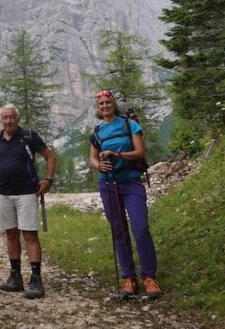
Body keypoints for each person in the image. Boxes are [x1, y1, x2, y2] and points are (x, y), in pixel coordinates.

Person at [0, 103, 56, 299]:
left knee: (30, 234)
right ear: (0, 120)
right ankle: (15, 277)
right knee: (11, 234)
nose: (8, 121)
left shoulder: (29, 136)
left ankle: (36, 279)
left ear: (18, 119)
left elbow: (49, 156)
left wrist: (48, 180)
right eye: (4, 118)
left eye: (11, 117)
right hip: (1, 192)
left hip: (26, 192)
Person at [88, 89, 162, 298]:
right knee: (118, 230)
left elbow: (140, 152)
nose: (105, 106)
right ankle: (128, 278)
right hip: (108, 184)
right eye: (101, 104)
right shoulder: (96, 130)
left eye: (107, 102)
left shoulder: (129, 124)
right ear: (98, 107)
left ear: (114, 104)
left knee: (140, 227)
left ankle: (149, 277)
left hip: (131, 182)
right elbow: (92, 158)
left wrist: (116, 154)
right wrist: (99, 166)